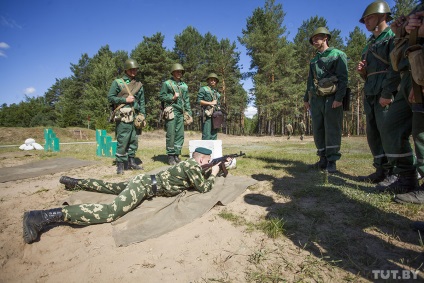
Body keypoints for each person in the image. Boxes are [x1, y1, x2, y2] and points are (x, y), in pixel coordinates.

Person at [23, 147, 224, 244]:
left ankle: (74, 182)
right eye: (208, 160)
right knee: (111, 212)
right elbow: (204, 188)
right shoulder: (193, 166)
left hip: (144, 181)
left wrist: (211, 168)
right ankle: (41, 217)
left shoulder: (188, 164)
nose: (209, 162)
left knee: (111, 187)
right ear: (202, 160)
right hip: (145, 187)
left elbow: (195, 175)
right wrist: (214, 173)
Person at [356, 1, 400, 185]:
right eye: (364, 19)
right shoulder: (370, 44)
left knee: (389, 133)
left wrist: (388, 92)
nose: (366, 22)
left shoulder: (392, 37)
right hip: (371, 93)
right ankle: (380, 170)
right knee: (373, 134)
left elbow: (395, 68)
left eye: (370, 17)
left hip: (385, 93)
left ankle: (396, 173)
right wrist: (363, 71)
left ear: (383, 16)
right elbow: (372, 73)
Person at [304, 27, 348, 173]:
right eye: (313, 39)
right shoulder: (313, 61)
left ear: (325, 38)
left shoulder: (338, 55)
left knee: (332, 129)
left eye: (317, 38)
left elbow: (343, 79)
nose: (315, 41)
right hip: (316, 99)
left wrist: (339, 98)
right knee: (318, 129)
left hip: (332, 98)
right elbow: (310, 81)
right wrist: (306, 99)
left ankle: (332, 161)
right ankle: (322, 159)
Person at [392, 3, 424, 203]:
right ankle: (407, 177)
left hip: (418, 76)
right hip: (411, 75)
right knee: (398, 128)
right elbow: (397, 60)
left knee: (421, 133)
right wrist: (400, 33)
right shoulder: (418, 7)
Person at [108, 58, 146, 174]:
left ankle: (131, 162)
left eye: (135, 69)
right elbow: (110, 97)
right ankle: (120, 164)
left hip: (135, 115)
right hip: (123, 115)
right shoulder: (118, 82)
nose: (134, 71)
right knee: (123, 139)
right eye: (131, 69)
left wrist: (143, 114)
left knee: (134, 140)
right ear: (126, 70)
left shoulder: (139, 84)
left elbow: (142, 101)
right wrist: (125, 99)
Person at [159, 63, 192, 165]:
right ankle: (170, 155)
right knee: (171, 134)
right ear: (173, 72)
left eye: (180, 72)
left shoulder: (184, 86)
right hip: (172, 111)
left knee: (180, 134)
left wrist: (189, 113)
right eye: (177, 71)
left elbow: (186, 100)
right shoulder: (167, 83)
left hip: (181, 112)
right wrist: (172, 98)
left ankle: (177, 154)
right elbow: (161, 96)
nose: (179, 73)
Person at [197, 73, 222, 140]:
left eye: (214, 80)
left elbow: (218, 103)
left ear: (216, 81)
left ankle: (213, 150)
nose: (213, 81)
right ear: (208, 81)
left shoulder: (217, 92)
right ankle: (205, 150)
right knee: (206, 133)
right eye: (211, 80)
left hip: (216, 114)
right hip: (207, 114)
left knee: (214, 133)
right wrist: (210, 103)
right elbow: (199, 101)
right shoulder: (203, 89)